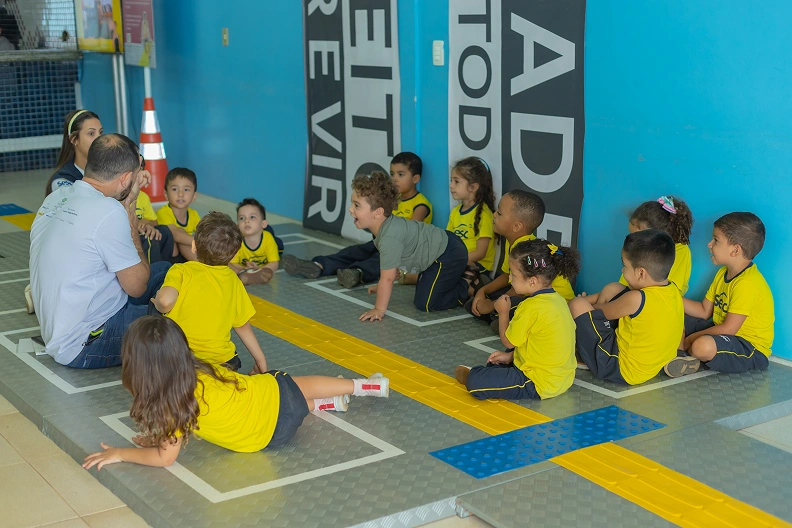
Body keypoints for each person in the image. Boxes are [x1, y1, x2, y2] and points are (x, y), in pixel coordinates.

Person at [82, 317, 390, 468]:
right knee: (295, 385)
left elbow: (165, 458)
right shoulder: (200, 368)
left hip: (270, 436)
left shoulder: (170, 402)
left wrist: (120, 453)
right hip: (276, 397)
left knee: (284, 405)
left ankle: (324, 404)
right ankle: (364, 386)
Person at [29, 134, 170, 368]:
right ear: (125, 179)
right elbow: (137, 286)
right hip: (85, 342)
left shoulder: (57, 197)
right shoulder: (109, 211)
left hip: (60, 329)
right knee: (178, 316)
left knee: (167, 271)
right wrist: (129, 208)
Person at [24, 110, 173, 315]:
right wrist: (130, 200)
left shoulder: (66, 194)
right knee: (162, 298)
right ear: (74, 140)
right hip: (89, 318)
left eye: (100, 133)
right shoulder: (62, 183)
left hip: (72, 300)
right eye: (91, 133)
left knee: (162, 249)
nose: (97, 138)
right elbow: (99, 213)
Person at [281, 152, 429, 289]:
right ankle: (317, 265)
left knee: (378, 260)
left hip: (402, 251)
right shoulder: (392, 200)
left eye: (401, 174)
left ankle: (357, 274)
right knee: (353, 252)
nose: (394, 178)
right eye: (392, 174)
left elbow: (409, 233)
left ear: (415, 179)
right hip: (381, 241)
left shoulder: (420, 204)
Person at [456, 240, 578, 400]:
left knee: (476, 382)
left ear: (532, 281)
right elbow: (543, 346)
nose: (510, 279)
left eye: (513, 275)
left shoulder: (530, 307)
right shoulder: (559, 300)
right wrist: (511, 356)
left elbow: (508, 342)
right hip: (562, 379)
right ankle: (499, 370)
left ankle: (478, 374)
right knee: (502, 357)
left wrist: (503, 312)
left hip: (538, 382)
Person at [151, 212, 270, 372]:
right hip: (222, 361)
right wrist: (260, 360)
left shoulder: (181, 270)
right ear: (234, 254)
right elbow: (242, 326)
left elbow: (165, 301)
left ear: (194, 245)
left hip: (181, 359)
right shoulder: (233, 280)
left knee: (154, 306)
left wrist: (156, 302)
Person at [568, 230, 684, 385]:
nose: (622, 270)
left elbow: (599, 312)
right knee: (614, 289)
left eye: (625, 266)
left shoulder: (636, 298)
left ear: (641, 273)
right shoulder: (673, 289)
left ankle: (585, 354)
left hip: (620, 368)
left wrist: (582, 304)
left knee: (577, 305)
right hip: (653, 364)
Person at [667, 212, 774, 377]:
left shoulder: (747, 283)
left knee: (701, 346)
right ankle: (681, 356)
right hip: (722, 333)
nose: (709, 244)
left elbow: (729, 328)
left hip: (748, 346)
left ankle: (686, 348)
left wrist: (690, 339)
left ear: (735, 250)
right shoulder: (723, 273)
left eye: (716, 240)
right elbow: (704, 311)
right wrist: (670, 297)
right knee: (673, 315)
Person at [354, 171, 470, 321]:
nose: (351, 209)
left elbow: (388, 279)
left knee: (426, 303)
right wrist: (382, 284)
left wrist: (378, 309)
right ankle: (456, 277)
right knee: (421, 296)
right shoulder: (384, 229)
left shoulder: (389, 236)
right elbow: (391, 267)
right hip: (438, 252)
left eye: (356, 206)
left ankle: (467, 283)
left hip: (448, 253)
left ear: (378, 212)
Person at [467, 191, 576, 327]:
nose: (494, 214)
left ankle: (495, 314)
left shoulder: (526, 252)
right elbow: (508, 275)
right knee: (477, 305)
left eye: (499, 213)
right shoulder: (514, 242)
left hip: (555, 307)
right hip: (528, 295)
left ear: (516, 226)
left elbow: (518, 291)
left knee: (499, 313)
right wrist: (483, 291)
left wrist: (490, 305)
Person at [583, 195, 693, 303]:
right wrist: (587, 301)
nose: (632, 243)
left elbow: (664, 296)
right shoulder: (638, 253)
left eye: (637, 239)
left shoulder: (679, 251)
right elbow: (619, 290)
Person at [447, 157, 496, 291]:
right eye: (451, 180)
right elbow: (448, 240)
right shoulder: (455, 212)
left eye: (456, 181)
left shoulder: (484, 214)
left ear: (473, 187)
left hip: (477, 265)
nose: (451, 185)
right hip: (459, 261)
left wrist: (456, 259)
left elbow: (480, 253)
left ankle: (476, 285)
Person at [230, 198, 283, 286]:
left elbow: (274, 263)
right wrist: (244, 268)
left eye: (252, 217)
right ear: (237, 226)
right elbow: (232, 263)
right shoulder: (237, 241)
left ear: (263, 224)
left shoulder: (268, 238)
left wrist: (259, 269)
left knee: (279, 245)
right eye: (242, 218)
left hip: (269, 238)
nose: (246, 221)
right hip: (247, 266)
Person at [156, 167, 201, 261]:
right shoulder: (163, 213)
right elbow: (176, 234)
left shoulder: (193, 214)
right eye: (174, 189)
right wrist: (203, 243)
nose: (180, 194)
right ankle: (204, 265)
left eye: (186, 190)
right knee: (181, 237)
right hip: (170, 257)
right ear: (166, 194)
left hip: (188, 255)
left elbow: (204, 233)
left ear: (194, 196)